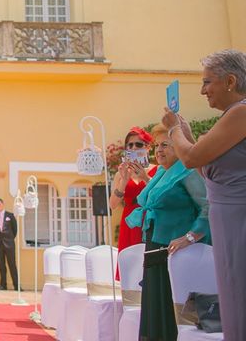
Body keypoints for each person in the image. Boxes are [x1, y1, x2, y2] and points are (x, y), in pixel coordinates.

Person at [161, 49, 246, 341]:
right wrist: (186, 134)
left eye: (207, 82)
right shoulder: (231, 117)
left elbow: (191, 158)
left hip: (239, 218)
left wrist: (174, 131)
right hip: (228, 220)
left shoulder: (241, 112)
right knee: (233, 292)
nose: (202, 91)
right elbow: (206, 166)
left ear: (231, 81)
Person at [126, 124, 211, 341]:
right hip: (155, 246)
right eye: (156, 145)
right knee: (155, 302)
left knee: (169, 304)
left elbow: (208, 206)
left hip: (175, 250)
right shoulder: (162, 172)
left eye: (166, 145)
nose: (159, 150)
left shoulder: (187, 171)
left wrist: (190, 236)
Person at [109, 127, 157, 278]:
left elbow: (160, 196)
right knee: (130, 269)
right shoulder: (121, 173)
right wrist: (124, 181)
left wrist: (145, 178)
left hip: (150, 220)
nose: (134, 148)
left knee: (149, 266)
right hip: (129, 221)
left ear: (148, 148)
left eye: (138, 144)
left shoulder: (158, 169)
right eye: (130, 145)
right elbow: (112, 204)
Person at [0, 198, 19, 291]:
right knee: (1, 265)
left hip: (9, 244)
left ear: (3, 204)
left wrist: (9, 239)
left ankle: (16, 286)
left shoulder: (10, 215)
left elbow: (15, 230)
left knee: (12, 265)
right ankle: (3, 285)